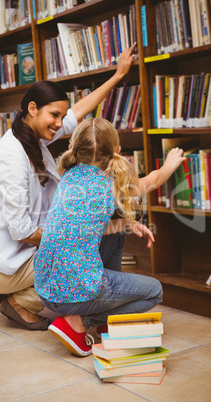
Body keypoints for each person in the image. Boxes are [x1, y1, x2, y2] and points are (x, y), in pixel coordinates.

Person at [0, 45, 138, 331]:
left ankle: (24, 296)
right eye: (54, 116)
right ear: (32, 109)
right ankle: (23, 299)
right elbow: (20, 231)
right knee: (82, 256)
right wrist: (74, 237)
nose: (61, 124)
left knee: (90, 245)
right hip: (0, 263)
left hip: (19, 253)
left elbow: (77, 112)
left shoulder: (33, 136)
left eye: (61, 118)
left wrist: (118, 75)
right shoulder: (12, 157)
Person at [33, 117, 185, 357]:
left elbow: (83, 228)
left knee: (117, 236)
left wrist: (125, 224)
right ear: (117, 152)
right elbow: (154, 180)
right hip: (73, 294)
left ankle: (100, 320)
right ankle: (78, 322)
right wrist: (170, 164)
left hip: (46, 288)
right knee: (154, 291)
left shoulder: (67, 178)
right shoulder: (112, 184)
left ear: (73, 148)